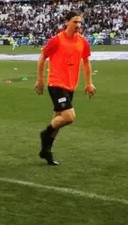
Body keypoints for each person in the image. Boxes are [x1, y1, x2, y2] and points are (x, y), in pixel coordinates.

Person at [35, 11, 96, 166]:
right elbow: (42, 57)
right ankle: (45, 134)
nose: (78, 25)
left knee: (57, 120)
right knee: (69, 117)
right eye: (75, 22)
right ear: (66, 22)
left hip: (70, 85)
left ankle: (46, 151)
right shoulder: (57, 40)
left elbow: (86, 62)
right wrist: (40, 80)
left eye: (80, 22)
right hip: (56, 84)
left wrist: (89, 83)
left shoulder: (82, 41)